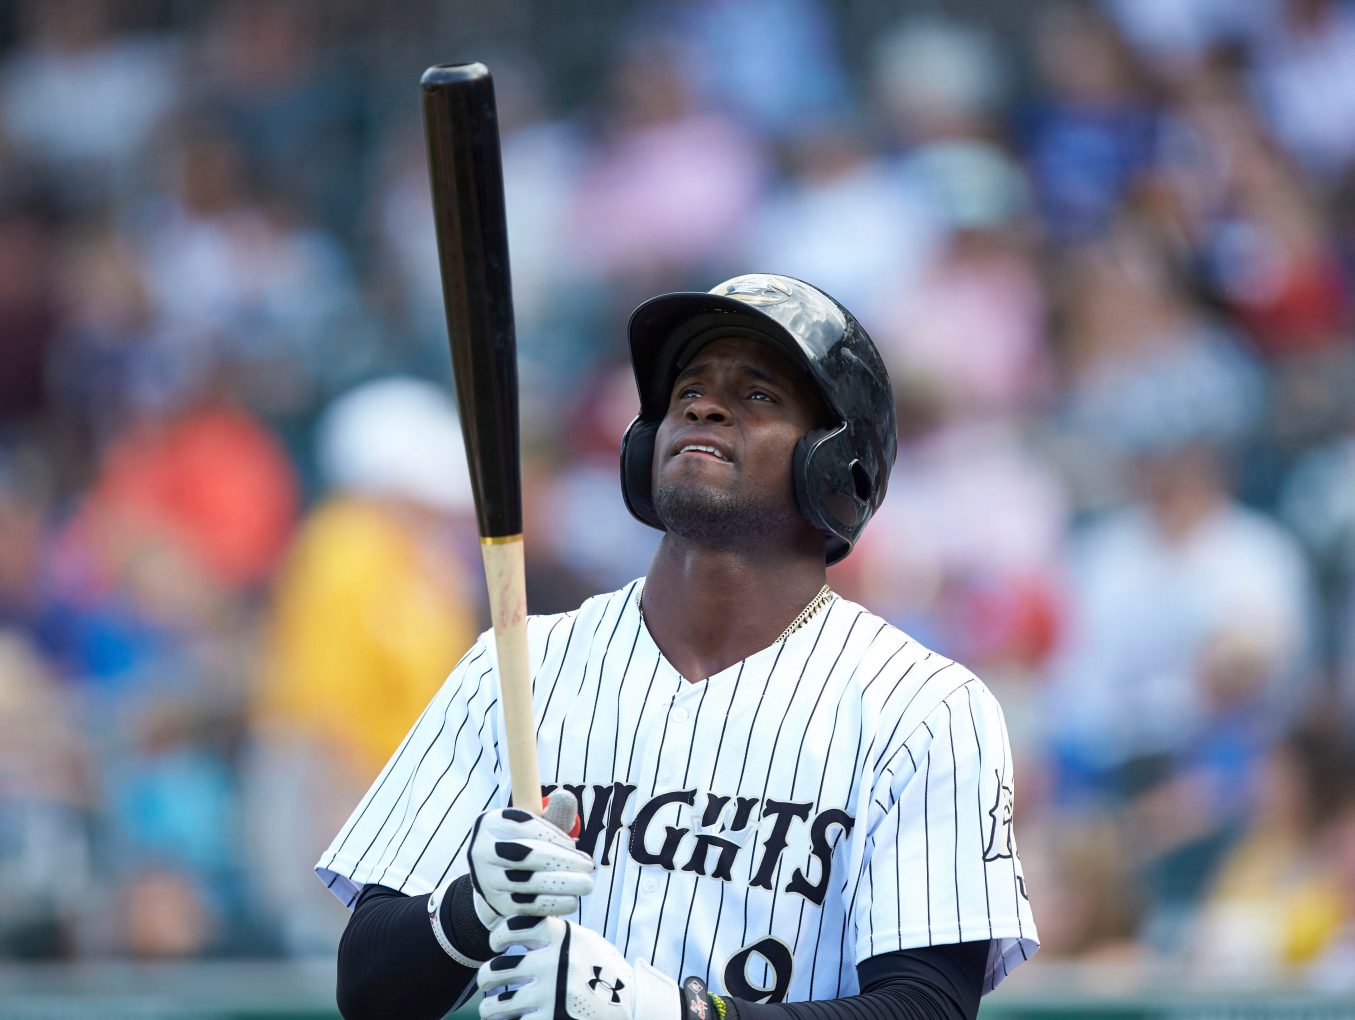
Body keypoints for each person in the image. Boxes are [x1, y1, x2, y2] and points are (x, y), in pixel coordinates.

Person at [317, 274, 1038, 1019]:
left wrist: (673, 1013)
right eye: (687, 389)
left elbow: (926, 1009)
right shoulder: (516, 667)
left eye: (757, 394)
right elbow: (368, 992)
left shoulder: (921, 708)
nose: (701, 404)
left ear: (837, 465)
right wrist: (469, 911)